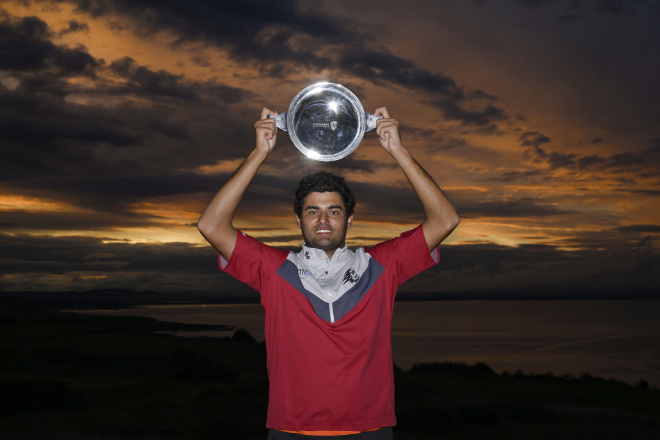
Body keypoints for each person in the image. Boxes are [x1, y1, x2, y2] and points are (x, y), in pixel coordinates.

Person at [197, 106, 460, 439]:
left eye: (334, 211)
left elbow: (445, 220)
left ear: (349, 220)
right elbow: (210, 225)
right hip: (290, 429)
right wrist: (258, 153)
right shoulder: (274, 268)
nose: (323, 221)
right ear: (299, 220)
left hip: (371, 429)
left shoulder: (381, 264)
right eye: (313, 211)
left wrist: (398, 149)